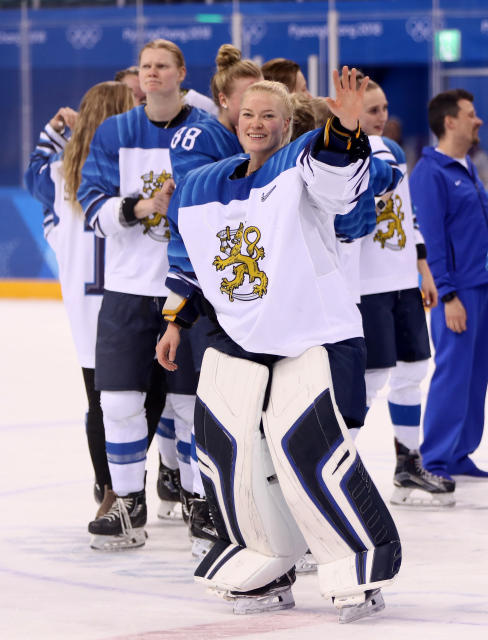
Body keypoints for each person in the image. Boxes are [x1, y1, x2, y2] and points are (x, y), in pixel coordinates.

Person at [156, 71, 401, 621]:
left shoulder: (301, 168)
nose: (257, 124)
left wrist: (343, 127)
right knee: (235, 458)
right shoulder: (202, 185)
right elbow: (188, 258)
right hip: (242, 339)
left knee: (312, 456)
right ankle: (264, 560)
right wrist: (174, 320)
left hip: (315, 335)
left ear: (288, 125)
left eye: (269, 116)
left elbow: (339, 181)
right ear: (235, 122)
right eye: (248, 115)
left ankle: (355, 566)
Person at [78, 39, 213, 550]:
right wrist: (140, 208)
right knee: (117, 400)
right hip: (128, 289)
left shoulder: (207, 132)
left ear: (181, 73)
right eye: (145, 66)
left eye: (162, 66)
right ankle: (128, 503)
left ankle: (200, 502)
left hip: (190, 289)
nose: (152, 73)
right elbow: (93, 204)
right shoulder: (115, 132)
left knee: (189, 404)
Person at [23, 83, 136, 522]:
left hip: (89, 312)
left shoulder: (58, 176)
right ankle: (149, 482)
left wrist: (52, 134)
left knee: (102, 403)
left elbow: (35, 174)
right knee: (155, 401)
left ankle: (112, 489)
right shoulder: (138, 171)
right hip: (137, 300)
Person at [167, 43, 263, 557]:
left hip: (251, 295)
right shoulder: (199, 139)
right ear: (223, 101)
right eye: (246, 105)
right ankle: (204, 505)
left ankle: (248, 508)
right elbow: (202, 213)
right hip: (208, 297)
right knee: (207, 409)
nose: (255, 117)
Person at [355, 77, 449, 507]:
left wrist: (423, 268)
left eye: (384, 108)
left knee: (413, 371)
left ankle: (406, 463)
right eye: (372, 110)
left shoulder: (391, 151)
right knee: (368, 382)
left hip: (401, 284)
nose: (381, 117)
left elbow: (406, 215)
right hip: (365, 287)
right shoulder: (338, 155)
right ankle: (339, 470)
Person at [409, 88, 488, 485]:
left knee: (476, 374)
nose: (477, 120)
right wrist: (447, 295)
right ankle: (436, 459)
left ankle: (460, 452)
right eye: (471, 113)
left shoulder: (466, 166)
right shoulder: (430, 173)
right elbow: (434, 239)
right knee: (452, 373)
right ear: (450, 121)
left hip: (482, 287)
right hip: (457, 293)